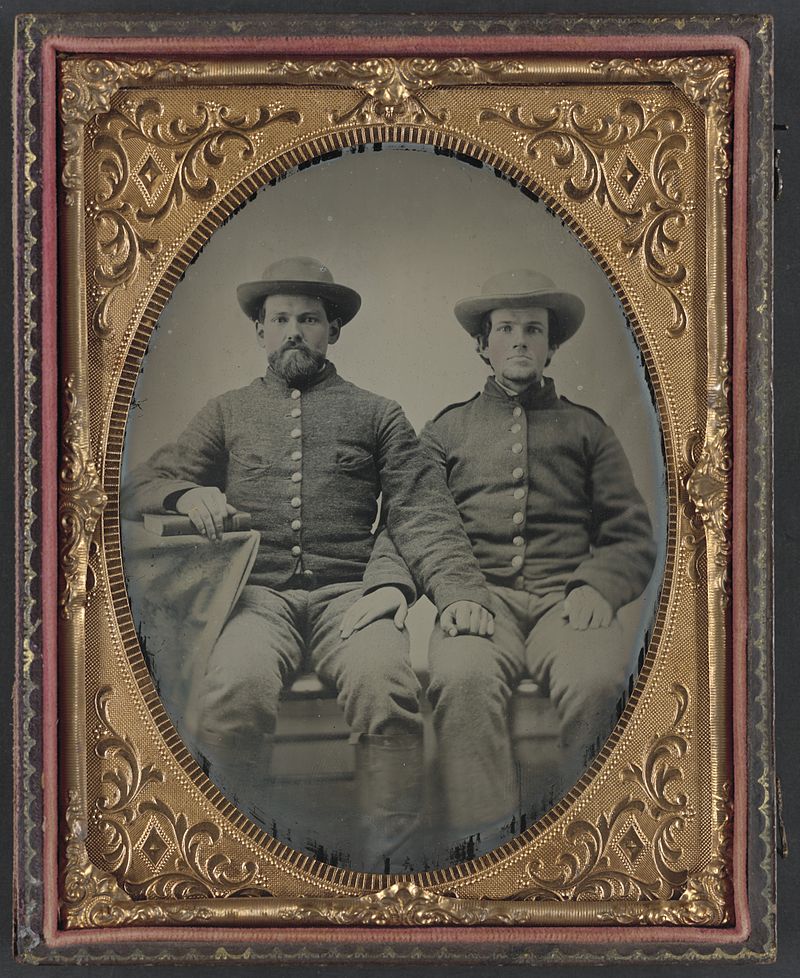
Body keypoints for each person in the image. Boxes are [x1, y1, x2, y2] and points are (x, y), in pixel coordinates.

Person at [121, 256, 492, 872]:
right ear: (260, 331)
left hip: (352, 598)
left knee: (387, 687)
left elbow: (423, 511)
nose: (294, 330)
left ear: (333, 330)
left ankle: (392, 874)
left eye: (310, 319)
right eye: (281, 319)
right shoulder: (226, 412)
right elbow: (140, 483)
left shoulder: (377, 413)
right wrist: (186, 495)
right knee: (234, 690)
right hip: (254, 599)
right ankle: (233, 865)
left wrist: (458, 594)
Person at [414, 269, 657, 849]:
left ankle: (583, 844)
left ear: (551, 347)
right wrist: (455, 594)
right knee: (461, 679)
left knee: (599, 681)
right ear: (483, 344)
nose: (519, 340)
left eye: (533, 330)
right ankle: (483, 844)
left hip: (564, 601)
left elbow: (630, 534)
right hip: (480, 600)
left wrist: (597, 586)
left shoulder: (587, 430)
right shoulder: (445, 431)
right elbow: (419, 524)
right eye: (505, 329)